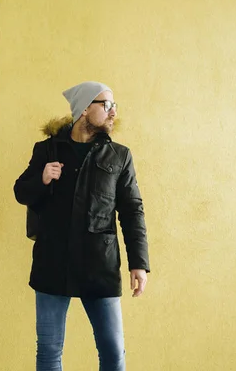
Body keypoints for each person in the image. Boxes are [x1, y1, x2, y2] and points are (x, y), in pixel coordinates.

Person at [13, 81, 150, 371]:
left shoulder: (119, 156)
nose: (113, 112)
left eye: (114, 106)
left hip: (99, 265)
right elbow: (20, 192)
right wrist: (42, 179)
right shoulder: (47, 151)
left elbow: (132, 211)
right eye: (107, 105)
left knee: (113, 353)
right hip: (53, 263)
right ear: (85, 109)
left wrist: (139, 263)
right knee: (49, 352)